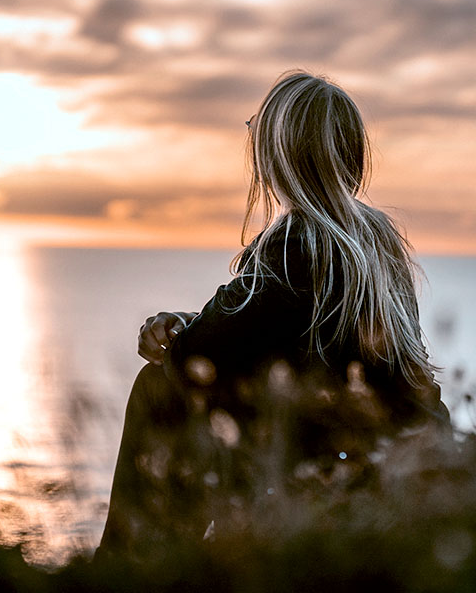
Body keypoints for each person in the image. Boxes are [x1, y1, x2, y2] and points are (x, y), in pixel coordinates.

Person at [95, 71, 448, 558]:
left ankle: (127, 569)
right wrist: (193, 320)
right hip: (390, 457)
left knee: (158, 390)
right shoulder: (374, 241)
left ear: (279, 156)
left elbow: (200, 356)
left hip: (330, 471)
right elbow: (275, 332)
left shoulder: (299, 242)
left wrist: (180, 335)